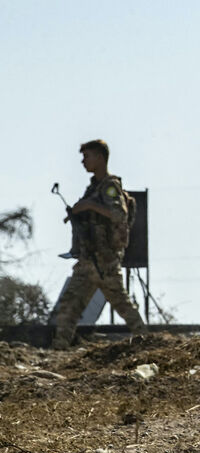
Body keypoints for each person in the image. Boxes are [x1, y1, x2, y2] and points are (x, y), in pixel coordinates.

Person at [53, 140, 146, 349]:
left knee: (122, 306)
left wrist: (89, 205)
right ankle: (59, 348)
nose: (83, 161)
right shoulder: (93, 188)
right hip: (88, 260)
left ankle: (148, 342)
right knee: (69, 306)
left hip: (105, 262)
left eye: (87, 156)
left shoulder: (110, 187)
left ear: (100, 158)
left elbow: (118, 214)